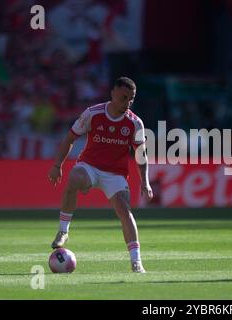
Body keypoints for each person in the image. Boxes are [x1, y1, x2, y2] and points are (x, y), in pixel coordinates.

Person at [48, 77, 153, 273]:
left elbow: (141, 155)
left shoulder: (135, 123)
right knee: (74, 177)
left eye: (131, 99)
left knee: (125, 211)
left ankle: (136, 262)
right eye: (123, 97)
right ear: (112, 93)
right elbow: (70, 138)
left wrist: (145, 182)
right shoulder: (93, 114)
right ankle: (63, 231)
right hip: (90, 166)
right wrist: (57, 165)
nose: (127, 103)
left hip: (115, 174)